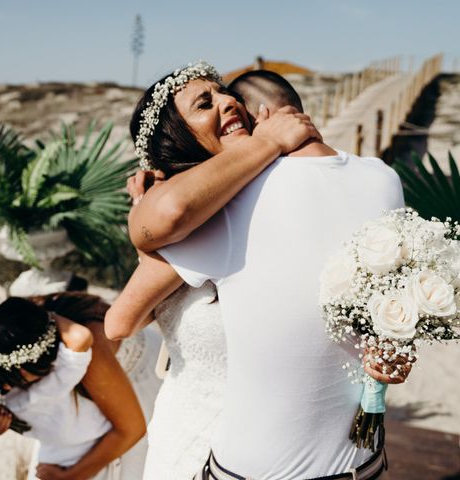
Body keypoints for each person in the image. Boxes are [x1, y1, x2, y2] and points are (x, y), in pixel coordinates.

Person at [106, 63, 410, 479]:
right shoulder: (211, 213)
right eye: (204, 103)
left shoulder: (236, 206)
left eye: (226, 96)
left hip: (264, 451)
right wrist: (264, 144)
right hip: (204, 430)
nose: (227, 103)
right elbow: (122, 319)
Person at [0, 292, 161, 480]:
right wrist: (4, 419)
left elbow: (131, 430)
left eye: (10, 381)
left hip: (139, 392)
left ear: (24, 364)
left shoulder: (87, 352)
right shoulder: (20, 328)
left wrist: (71, 476)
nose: (8, 390)